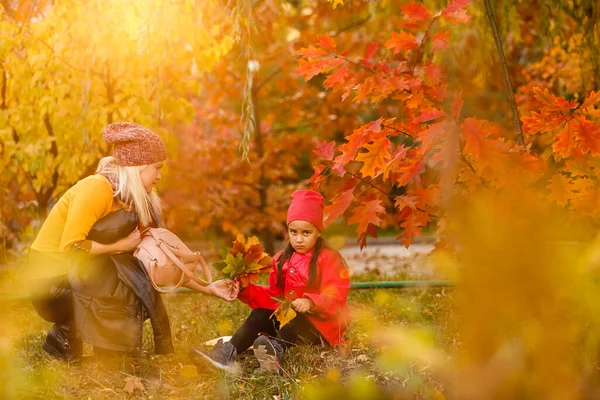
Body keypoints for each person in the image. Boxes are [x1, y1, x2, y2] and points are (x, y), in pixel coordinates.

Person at [28, 122, 236, 362]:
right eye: (156, 168)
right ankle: (71, 336)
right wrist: (120, 246)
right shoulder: (96, 188)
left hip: (79, 279)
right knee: (129, 282)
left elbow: (159, 263)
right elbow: (71, 247)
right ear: (138, 167)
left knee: (138, 279)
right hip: (49, 286)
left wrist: (207, 287)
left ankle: (88, 343)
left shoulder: (135, 201)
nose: (159, 175)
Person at [189, 190, 351, 373]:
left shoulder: (328, 259)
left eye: (306, 233)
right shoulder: (281, 259)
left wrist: (311, 301)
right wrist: (244, 289)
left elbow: (337, 294)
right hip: (288, 320)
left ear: (318, 232)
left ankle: (274, 352)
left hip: (319, 325)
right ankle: (225, 356)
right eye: (293, 232)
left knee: (298, 322)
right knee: (259, 314)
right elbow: (272, 298)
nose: (298, 239)